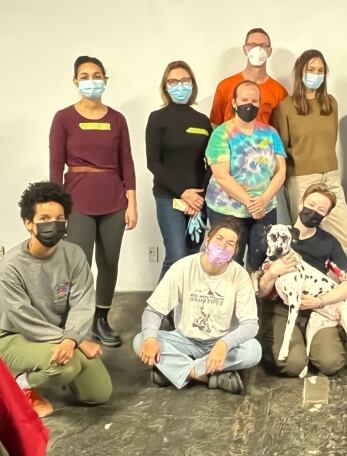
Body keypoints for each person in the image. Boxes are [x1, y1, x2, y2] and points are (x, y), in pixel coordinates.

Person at [0, 182, 112, 417]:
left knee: (98, 394)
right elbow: (24, 320)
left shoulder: (74, 255)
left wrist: (71, 339)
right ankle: (19, 382)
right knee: (66, 366)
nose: (53, 224)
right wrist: (77, 341)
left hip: (59, 335)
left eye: (59, 217)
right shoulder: (10, 267)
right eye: (44, 218)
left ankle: (54, 368)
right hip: (14, 336)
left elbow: (82, 302)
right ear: (28, 224)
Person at [49, 55, 137, 347]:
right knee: (80, 264)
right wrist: (55, 208)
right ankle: (77, 322)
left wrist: (132, 202)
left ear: (105, 79)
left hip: (113, 199)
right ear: (75, 81)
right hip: (77, 200)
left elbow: (127, 162)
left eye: (96, 75)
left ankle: (101, 319)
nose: (91, 81)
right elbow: (55, 166)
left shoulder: (117, 119)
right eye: (84, 76)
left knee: (109, 261)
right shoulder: (64, 118)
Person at [132, 219, 262, 395]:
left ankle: (174, 371)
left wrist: (224, 344)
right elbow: (153, 310)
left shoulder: (239, 276)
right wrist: (150, 339)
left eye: (230, 243)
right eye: (219, 239)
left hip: (220, 342)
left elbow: (250, 325)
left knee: (253, 350)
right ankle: (205, 375)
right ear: (207, 240)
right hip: (185, 340)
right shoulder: (183, 267)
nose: (223, 246)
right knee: (140, 340)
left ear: (235, 251)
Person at [258, 184, 347, 378]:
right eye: (310, 204)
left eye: (321, 210)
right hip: (281, 308)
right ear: (300, 203)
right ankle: (288, 343)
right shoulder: (272, 234)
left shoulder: (329, 243)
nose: (313, 212)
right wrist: (273, 272)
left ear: (326, 215)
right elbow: (261, 290)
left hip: (316, 310)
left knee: (331, 363)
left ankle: (320, 341)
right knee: (292, 364)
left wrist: (320, 301)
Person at [271, 49, 347, 255]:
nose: (315, 74)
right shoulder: (286, 107)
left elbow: (330, 139)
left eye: (320, 70)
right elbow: (281, 149)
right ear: (300, 72)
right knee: (302, 239)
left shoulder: (331, 103)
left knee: (344, 238)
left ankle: (334, 283)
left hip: (331, 178)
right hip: (302, 179)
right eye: (311, 69)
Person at [205, 80, 287, 272]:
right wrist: (250, 203)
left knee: (262, 260)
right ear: (234, 102)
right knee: (228, 261)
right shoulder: (221, 133)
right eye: (244, 99)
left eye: (254, 100)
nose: (249, 104)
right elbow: (222, 176)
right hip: (227, 210)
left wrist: (263, 201)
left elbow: (281, 171)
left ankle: (257, 300)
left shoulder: (270, 133)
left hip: (264, 210)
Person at [146, 60, 212, 279]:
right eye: (173, 81)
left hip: (198, 201)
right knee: (176, 255)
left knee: (193, 256)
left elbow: (209, 163)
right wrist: (183, 193)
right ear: (165, 86)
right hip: (169, 196)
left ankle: (184, 310)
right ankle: (159, 310)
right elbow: (153, 162)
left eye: (185, 80)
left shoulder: (202, 121)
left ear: (192, 84)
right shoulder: (157, 118)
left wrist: (199, 198)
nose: (179, 85)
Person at [210, 27, 288, 126]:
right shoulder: (225, 86)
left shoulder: (280, 92)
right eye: (252, 45)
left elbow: (279, 130)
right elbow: (215, 125)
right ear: (245, 49)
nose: (258, 49)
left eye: (263, 46)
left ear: (270, 51)